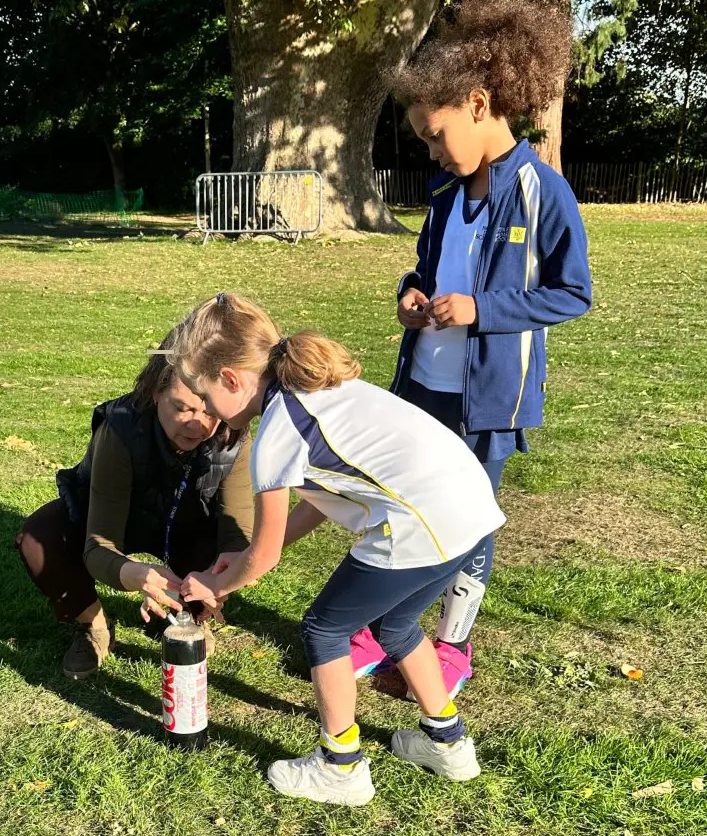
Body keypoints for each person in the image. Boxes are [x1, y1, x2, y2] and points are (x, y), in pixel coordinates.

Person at [176, 293, 505, 806]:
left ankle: (340, 767)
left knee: (323, 628)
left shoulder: (278, 433)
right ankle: (449, 745)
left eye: (205, 397)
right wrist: (236, 564)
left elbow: (264, 558)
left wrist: (216, 583)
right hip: (471, 510)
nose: (209, 414)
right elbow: (322, 503)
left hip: (424, 524)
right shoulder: (316, 389)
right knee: (395, 625)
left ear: (232, 380)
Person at [375, 0, 592, 695]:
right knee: (406, 508)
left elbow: (573, 293)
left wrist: (482, 310)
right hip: (421, 386)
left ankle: (452, 646)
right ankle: (385, 628)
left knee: (467, 523)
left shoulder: (544, 192)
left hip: (489, 402)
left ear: (477, 104)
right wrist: (411, 295)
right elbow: (428, 268)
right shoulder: (445, 195)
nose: (433, 152)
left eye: (435, 134)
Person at [16, 327, 253, 680]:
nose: (198, 425)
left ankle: (187, 617)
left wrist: (221, 580)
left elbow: (238, 535)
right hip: (118, 517)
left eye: (210, 411)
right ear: (156, 392)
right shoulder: (120, 428)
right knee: (40, 537)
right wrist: (137, 575)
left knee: (219, 549)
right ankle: (94, 625)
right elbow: (99, 543)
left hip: (188, 526)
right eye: (182, 408)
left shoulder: (233, 434)